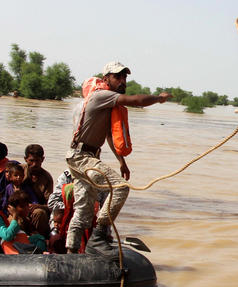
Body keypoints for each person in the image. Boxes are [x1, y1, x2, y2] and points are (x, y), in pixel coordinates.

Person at [65, 61, 170, 255]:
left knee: (84, 210)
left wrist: (122, 162)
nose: (122, 80)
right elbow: (136, 100)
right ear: (106, 80)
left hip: (82, 157)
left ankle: (71, 252)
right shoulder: (102, 95)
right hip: (82, 157)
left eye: (124, 77)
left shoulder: (105, 103)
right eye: (117, 77)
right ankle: (99, 236)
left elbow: (108, 136)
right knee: (121, 188)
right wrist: (158, 98)